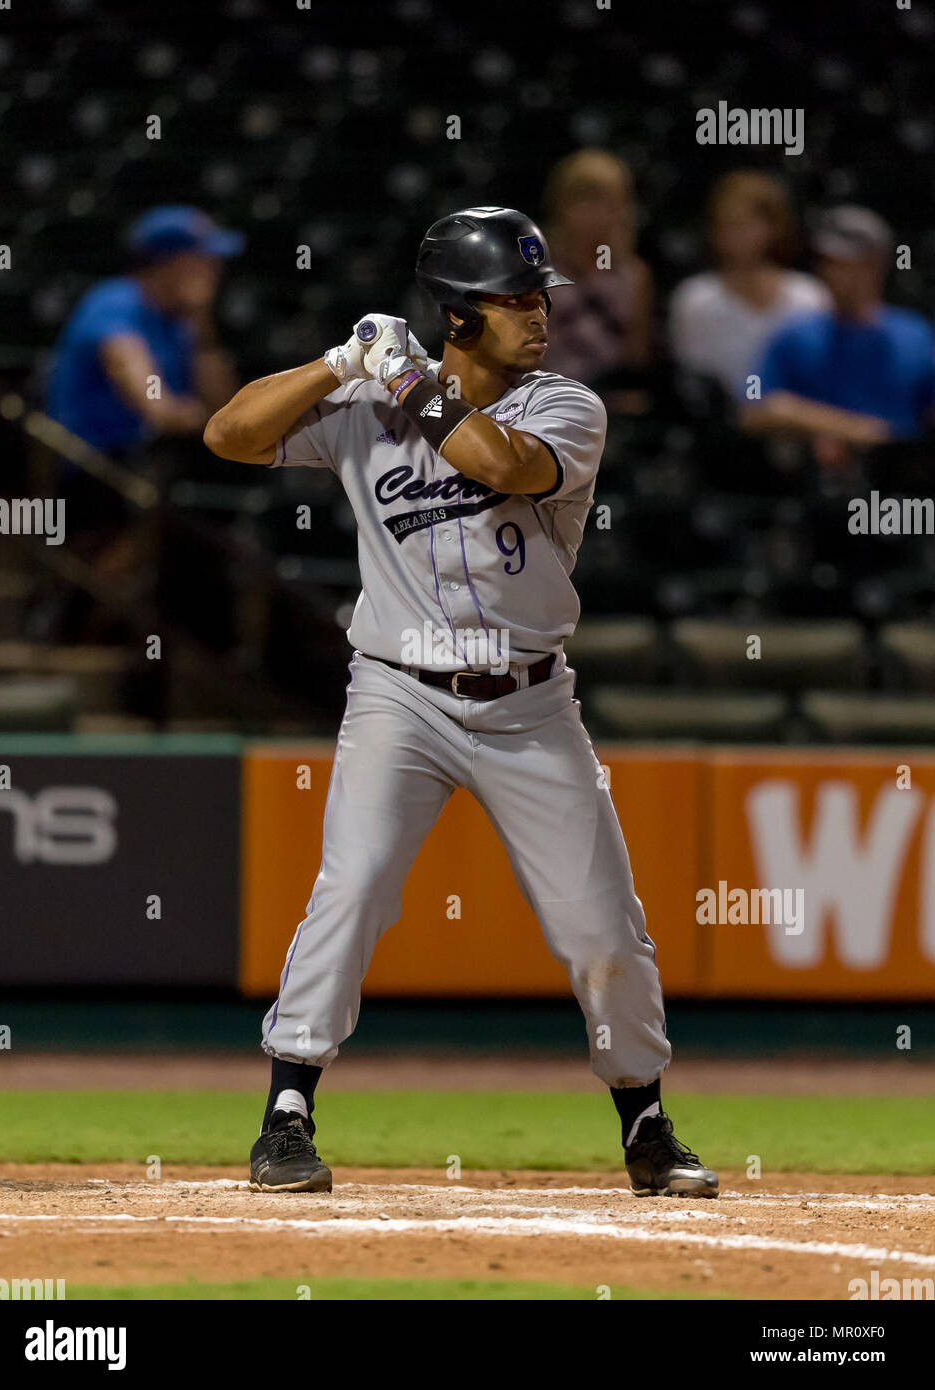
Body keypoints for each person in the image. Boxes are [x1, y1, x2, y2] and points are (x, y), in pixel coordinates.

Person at [205, 206, 718, 1200]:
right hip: (399, 696)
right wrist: (337, 363)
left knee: (602, 924)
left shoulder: (565, 406)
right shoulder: (365, 407)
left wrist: (408, 384)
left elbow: (498, 465)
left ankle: (646, 1121)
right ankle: (287, 1112)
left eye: (538, 296)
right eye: (513, 300)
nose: (538, 314)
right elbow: (228, 433)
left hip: (530, 701)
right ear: (456, 316)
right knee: (352, 888)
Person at [741, 205, 935, 461]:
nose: (831, 273)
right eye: (826, 262)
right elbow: (753, 408)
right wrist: (853, 430)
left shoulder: (915, 335)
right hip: (815, 482)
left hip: (900, 484)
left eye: (846, 263)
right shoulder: (794, 335)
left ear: (877, 265)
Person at [47, 205, 243, 454]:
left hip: (145, 461)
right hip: (92, 468)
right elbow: (153, 404)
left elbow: (223, 408)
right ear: (170, 263)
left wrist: (201, 321)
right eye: (204, 259)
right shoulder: (115, 301)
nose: (215, 269)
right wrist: (180, 414)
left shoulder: (181, 320)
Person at [668, 171, 829, 402]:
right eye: (726, 225)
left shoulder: (809, 296)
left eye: (746, 224)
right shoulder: (694, 299)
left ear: (773, 228)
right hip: (718, 427)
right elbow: (693, 381)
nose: (735, 235)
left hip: (801, 421)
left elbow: (818, 374)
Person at [539, 150, 654, 398]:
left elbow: (635, 359)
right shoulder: (535, 271)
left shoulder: (634, 275)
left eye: (606, 202)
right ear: (560, 204)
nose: (594, 213)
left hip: (612, 403)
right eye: (583, 200)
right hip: (548, 399)